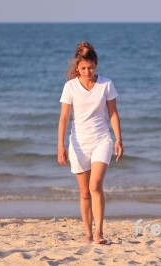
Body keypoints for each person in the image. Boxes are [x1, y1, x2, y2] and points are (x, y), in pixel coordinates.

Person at [57, 42, 123, 244]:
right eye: (83, 68)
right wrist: (61, 145)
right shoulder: (70, 87)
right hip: (78, 143)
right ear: (77, 67)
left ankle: (99, 233)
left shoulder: (106, 84)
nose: (87, 71)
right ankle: (87, 233)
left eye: (91, 67)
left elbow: (113, 113)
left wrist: (118, 139)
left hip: (102, 140)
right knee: (84, 192)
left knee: (95, 186)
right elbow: (64, 118)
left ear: (96, 64)